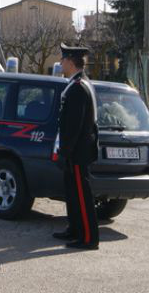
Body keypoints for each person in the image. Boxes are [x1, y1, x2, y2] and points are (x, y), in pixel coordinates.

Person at [52, 43, 100, 250]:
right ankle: (74, 228)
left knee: (82, 195)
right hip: (76, 150)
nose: (60, 63)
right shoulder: (77, 83)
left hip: (77, 152)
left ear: (71, 61)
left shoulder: (79, 87)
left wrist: (65, 152)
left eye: (63, 59)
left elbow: (74, 125)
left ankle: (88, 237)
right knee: (72, 193)